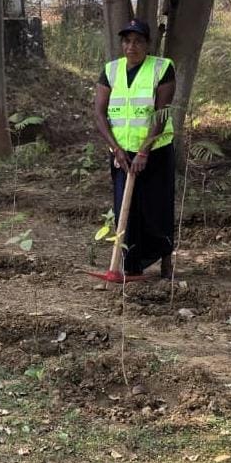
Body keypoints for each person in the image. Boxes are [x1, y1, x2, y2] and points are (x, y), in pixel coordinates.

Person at [93, 19, 176, 278]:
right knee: (125, 209)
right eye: (127, 41)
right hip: (121, 152)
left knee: (156, 207)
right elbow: (99, 112)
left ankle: (164, 258)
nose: (132, 46)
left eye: (138, 41)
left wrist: (144, 151)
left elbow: (161, 114)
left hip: (155, 151)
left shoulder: (162, 68)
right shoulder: (111, 70)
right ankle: (131, 267)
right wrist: (116, 149)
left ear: (148, 44)